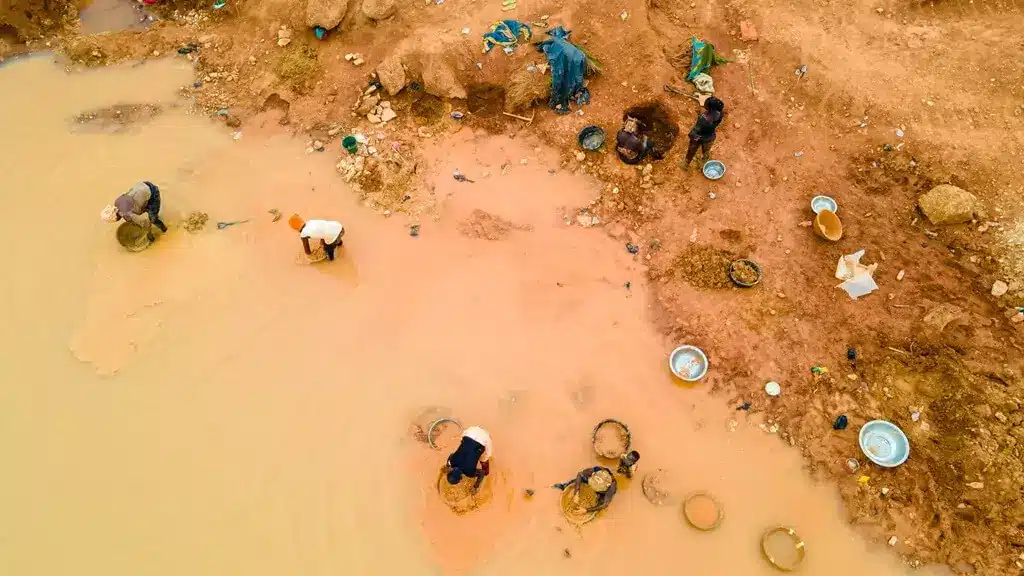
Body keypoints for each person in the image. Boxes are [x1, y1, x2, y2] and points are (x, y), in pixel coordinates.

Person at [101, 181, 168, 238]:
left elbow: (144, 224)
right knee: (146, 211)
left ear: (115, 218)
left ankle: (165, 230)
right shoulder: (117, 203)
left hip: (152, 193)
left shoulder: (127, 215)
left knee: (153, 219)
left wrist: (149, 236)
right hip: (143, 184)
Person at [444, 425, 493, 494]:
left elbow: (481, 473)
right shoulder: (452, 461)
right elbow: (451, 455)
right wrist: (447, 466)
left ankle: (486, 470)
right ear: (451, 470)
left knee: (486, 458)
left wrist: (475, 487)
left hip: (485, 437)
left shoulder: (469, 472)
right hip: (470, 431)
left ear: (461, 478)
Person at [682, 96, 725, 169]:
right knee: (706, 152)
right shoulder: (720, 113)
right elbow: (718, 123)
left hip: (699, 137)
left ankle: (686, 164)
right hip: (710, 137)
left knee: (691, 150)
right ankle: (704, 165)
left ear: (710, 108)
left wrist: (694, 136)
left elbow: (692, 133)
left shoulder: (703, 119)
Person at [552, 466, 617, 513]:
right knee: (577, 481)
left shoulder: (611, 487)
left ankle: (594, 507)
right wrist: (576, 494)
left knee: (600, 503)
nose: (591, 488)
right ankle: (564, 486)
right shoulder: (595, 470)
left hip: (602, 493)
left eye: (594, 488)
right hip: (591, 478)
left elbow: (604, 504)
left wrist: (586, 510)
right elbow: (580, 474)